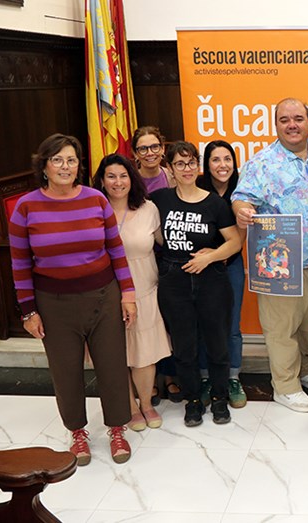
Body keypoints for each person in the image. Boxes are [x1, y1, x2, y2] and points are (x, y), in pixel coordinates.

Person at [9, 134, 135, 465]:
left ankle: (117, 428)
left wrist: (128, 294)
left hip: (103, 297)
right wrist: (28, 312)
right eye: (58, 160)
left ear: (79, 165)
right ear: (44, 166)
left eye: (72, 160)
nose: (65, 167)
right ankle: (77, 432)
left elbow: (116, 250)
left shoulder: (97, 200)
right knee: (65, 371)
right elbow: (20, 264)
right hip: (53, 304)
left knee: (112, 365)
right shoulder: (26, 207)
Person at [232, 98, 308, 413]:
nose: (292, 125)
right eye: (284, 120)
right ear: (276, 124)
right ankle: (285, 386)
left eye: (298, 118)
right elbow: (241, 198)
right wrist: (243, 211)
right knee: (281, 329)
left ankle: (303, 369)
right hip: (281, 266)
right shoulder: (262, 163)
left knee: (307, 325)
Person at [153, 141, 241, 427]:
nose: (187, 169)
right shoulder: (159, 200)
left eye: (191, 162)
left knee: (217, 342)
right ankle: (192, 400)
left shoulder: (215, 203)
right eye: (180, 164)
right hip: (174, 280)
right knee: (184, 346)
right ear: (170, 168)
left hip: (211, 279)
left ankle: (219, 397)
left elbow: (235, 242)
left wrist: (210, 257)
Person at [93, 154, 172, 432]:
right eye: (111, 176)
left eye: (123, 176)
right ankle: (129, 406)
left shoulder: (149, 209)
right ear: (102, 181)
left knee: (145, 353)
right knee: (115, 353)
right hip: (105, 292)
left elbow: (167, 243)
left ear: (132, 178)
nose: (118, 182)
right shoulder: (92, 210)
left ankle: (146, 403)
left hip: (145, 290)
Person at [196, 140, 247, 409]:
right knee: (205, 323)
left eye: (227, 159)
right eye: (216, 160)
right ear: (207, 164)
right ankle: (206, 377)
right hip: (203, 266)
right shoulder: (198, 188)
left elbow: (241, 235)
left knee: (232, 325)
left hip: (232, 264)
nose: (222, 165)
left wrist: (221, 254)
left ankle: (233, 377)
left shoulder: (243, 188)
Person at [131, 125, 180, 405]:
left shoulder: (171, 175)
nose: (149, 153)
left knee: (169, 319)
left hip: (169, 255)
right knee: (147, 321)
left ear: (162, 149)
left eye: (154, 147)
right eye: (143, 148)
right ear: (135, 153)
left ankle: (170, 376)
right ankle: (148, 382)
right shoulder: (129, 179)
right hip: (142, 258)